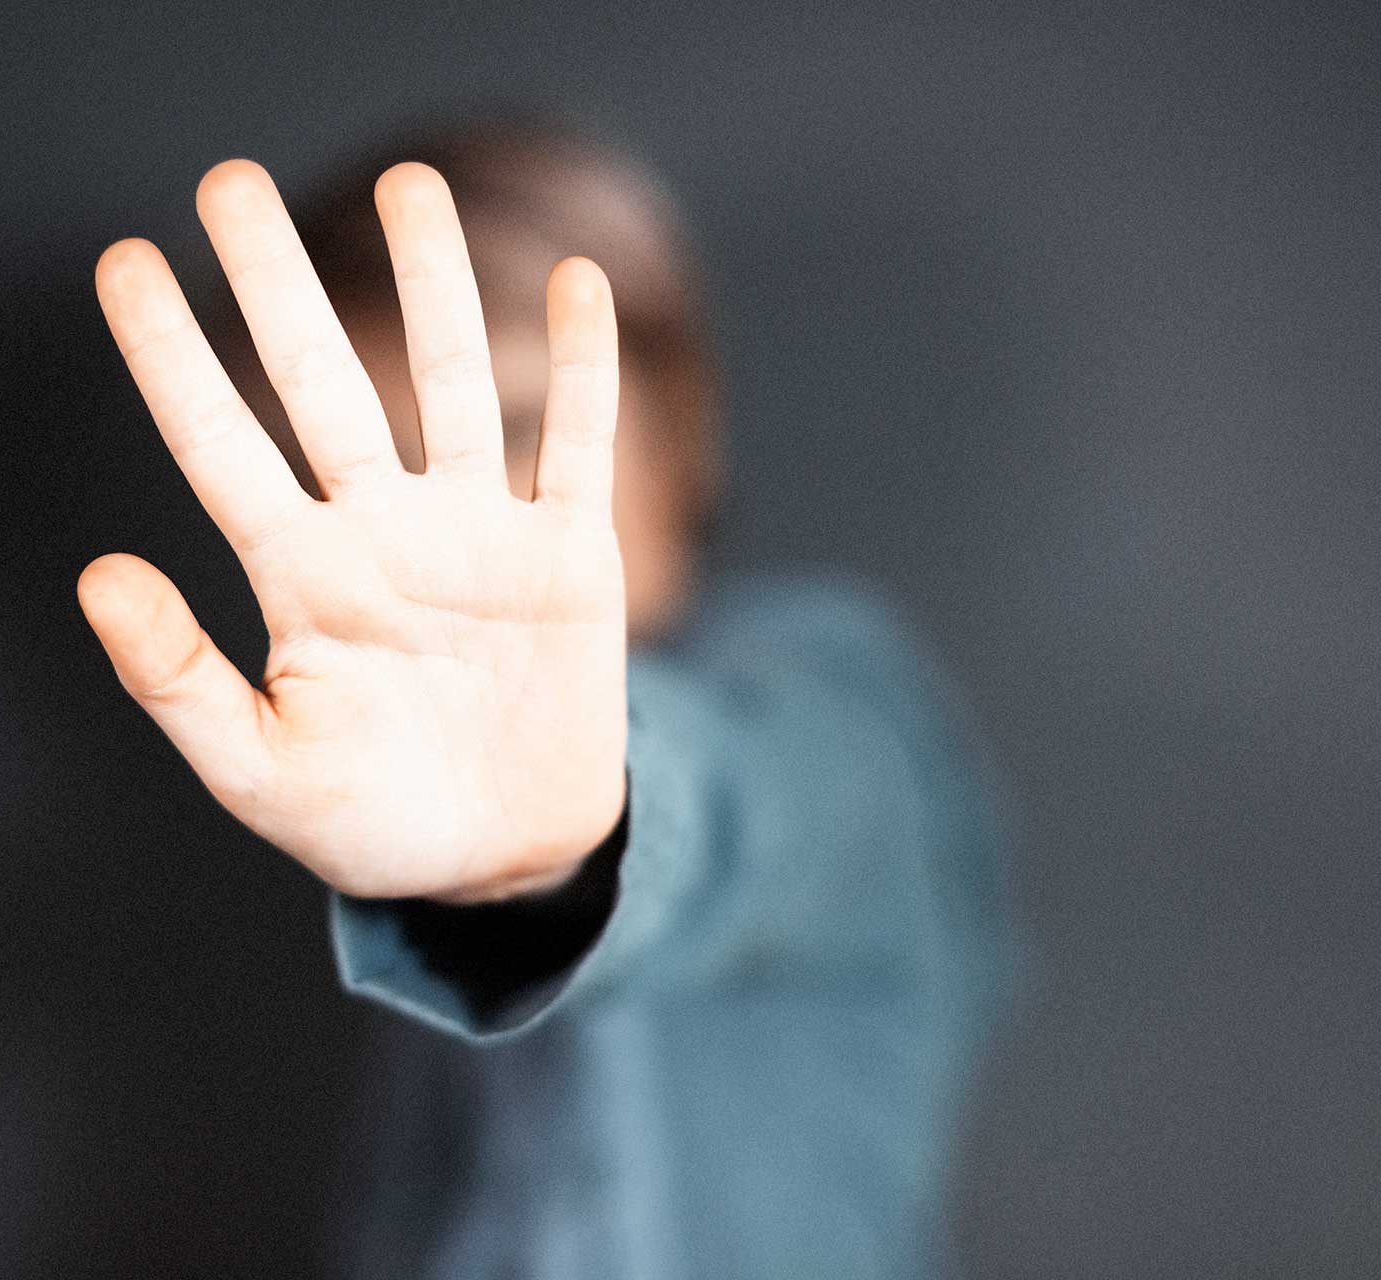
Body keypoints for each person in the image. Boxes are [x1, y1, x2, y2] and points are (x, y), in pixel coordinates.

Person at [75, 113, 1015, 1278]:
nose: (442, 536)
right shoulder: (414, 841)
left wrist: (569, 838)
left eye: (514, 428)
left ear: (684, 421)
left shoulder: (839, 709)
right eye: (365, 471)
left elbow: (754, 808)